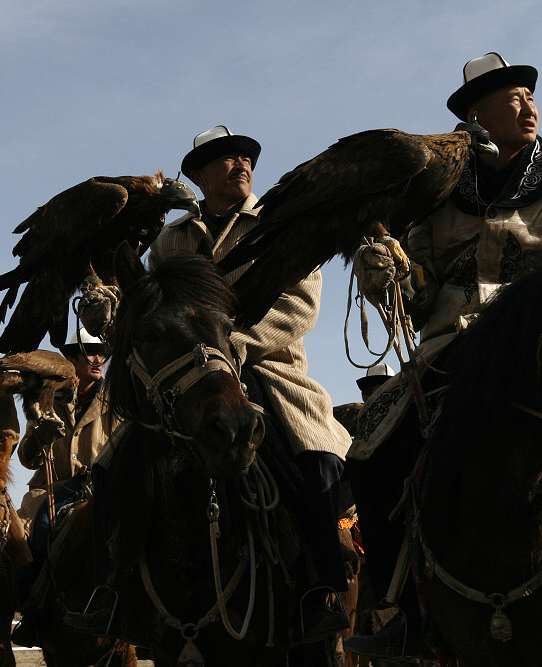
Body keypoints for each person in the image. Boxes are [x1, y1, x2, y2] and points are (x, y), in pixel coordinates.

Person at [344, 53, 542, 658]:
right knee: (372, 449)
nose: (528, 107)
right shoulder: (436, 189)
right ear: (476, 113)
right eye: (512, 98)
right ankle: (407, 609)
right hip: (454, 345)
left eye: (530, 96)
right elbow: (422, 293)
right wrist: (388, 277)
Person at [145, 125, 354, 643]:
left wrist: (240, 343)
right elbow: (156, 307)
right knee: (118, 460)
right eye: (224, 159)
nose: (240, 165)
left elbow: (301, 302)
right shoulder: (171, 241)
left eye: (245, 157)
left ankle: (320, 589)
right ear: (197, 176)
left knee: (316, 461)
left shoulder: (280, 223)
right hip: (189, 373)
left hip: (269, 367)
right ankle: (114, 591)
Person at [12, 328, 112, 647]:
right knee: (39, 531)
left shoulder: (119, 397)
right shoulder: (48, 398)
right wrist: (40, 437)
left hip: (103, 488)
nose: (99, 358)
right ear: (72, 358)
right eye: (91, 351)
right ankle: (35, 611)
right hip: (51, 492)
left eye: (103, 352)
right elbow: (27, 459)